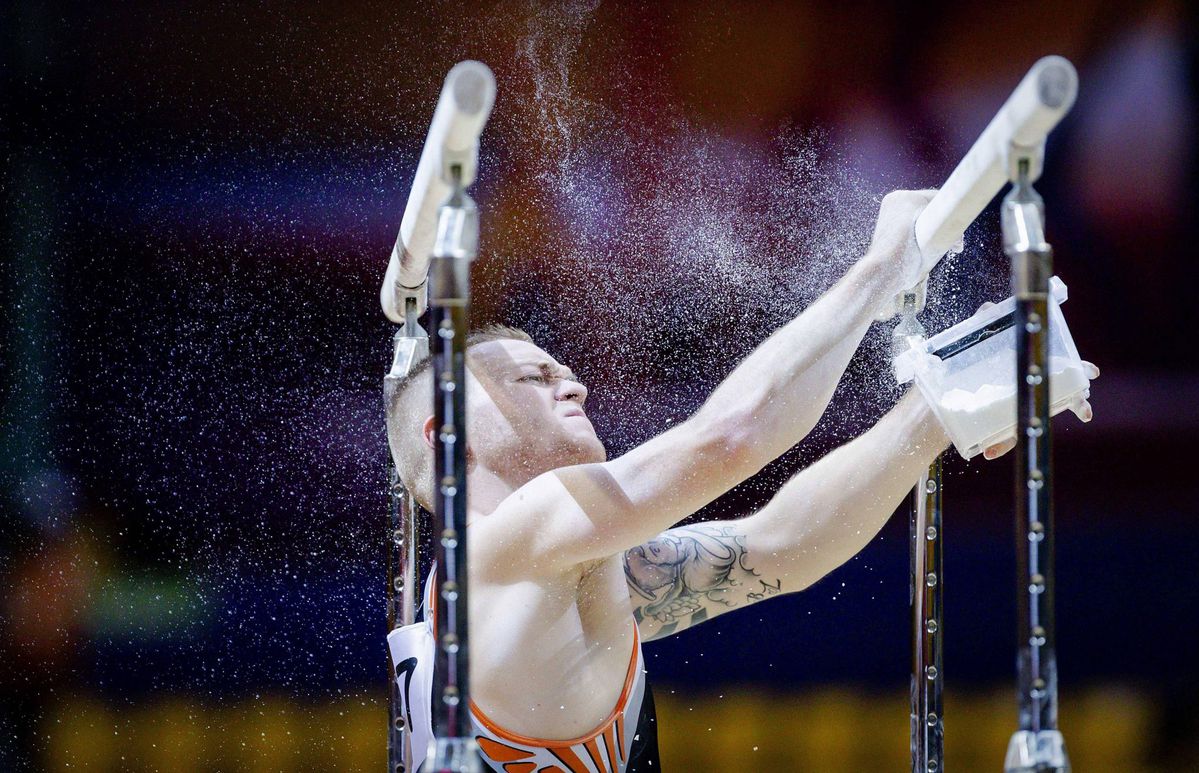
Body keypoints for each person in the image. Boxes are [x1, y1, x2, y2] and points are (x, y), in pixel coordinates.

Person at [385, 190, 1093, 772]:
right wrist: (881, 266)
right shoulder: (494, 552)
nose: (571, 383)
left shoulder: (547, 583)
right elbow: (729, 440)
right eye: (532, 378)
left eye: (561, 370)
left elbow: (782, 546)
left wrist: (937, 410)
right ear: (445, 434)